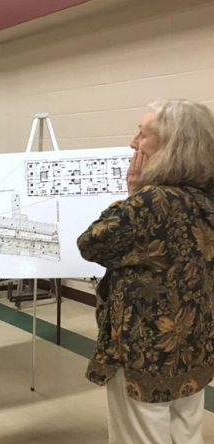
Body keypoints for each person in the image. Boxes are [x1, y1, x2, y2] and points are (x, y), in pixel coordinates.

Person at [77, 99, 214, 444]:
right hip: (193, 344)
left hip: (145, 350)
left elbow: (92, 243)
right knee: (186, 430)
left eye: (143, 133)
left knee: (140, 435)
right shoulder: (204, 197)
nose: (133, 142)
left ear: (172, 144)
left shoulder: (153, 201)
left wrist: (132, 194)